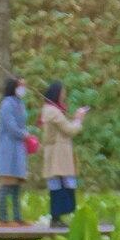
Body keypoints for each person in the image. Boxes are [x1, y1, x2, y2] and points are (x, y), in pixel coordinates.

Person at [37, 81, 90, 227]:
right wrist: (78, 119)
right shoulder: (52, 111)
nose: (64, 96)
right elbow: (69, 130)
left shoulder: (52, 110)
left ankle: (57, 217)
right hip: (57, 153)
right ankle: (56, 217)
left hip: (57, 152)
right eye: (62, 93)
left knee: (59, 184)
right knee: (60, 184)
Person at [0, 77, 29, 226]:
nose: (23, 88)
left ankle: (17, 217)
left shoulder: (20, 103)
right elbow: (10, 125)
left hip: (19, 147)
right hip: (8, 147)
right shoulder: (6, 104)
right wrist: (24, 134)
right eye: (21, 85)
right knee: (6, 182)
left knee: (17, 184)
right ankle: (2, 217)